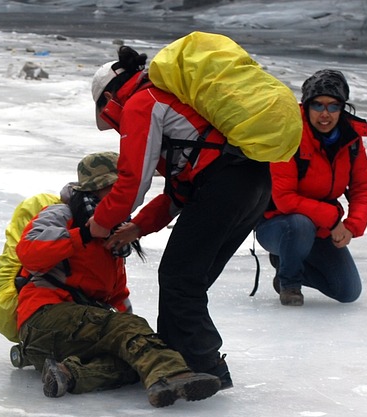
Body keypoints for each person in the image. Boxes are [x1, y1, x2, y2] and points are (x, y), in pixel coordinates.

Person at [89, 45, 275, 387]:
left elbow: (133, 182)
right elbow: (180, 191)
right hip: (253, 183)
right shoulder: (172, 103)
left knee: (179, 279)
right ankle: (175, 359)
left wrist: (98, 224)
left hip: (225, 185)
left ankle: (205, 367)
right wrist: (138, 227)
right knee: (188, 280)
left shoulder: (141, 103)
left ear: (108, 100)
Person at [15, 153, 222, 408]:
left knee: (136, 358)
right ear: (97, 187)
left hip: (69, 339)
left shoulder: (113, 233)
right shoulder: (62, 214)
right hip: (43, 318)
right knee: (129, 333)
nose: (124, 196)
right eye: (115, 188)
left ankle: (67, 375)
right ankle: (173, 375)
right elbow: (29, 252)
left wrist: (138, 335)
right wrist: (85, 234)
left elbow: (116, 295)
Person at [255, 69, 367, 307]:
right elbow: (285, 198)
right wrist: (331, 218)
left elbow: (363, 187)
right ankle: (289, 284)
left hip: (321, 228)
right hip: (279, 224)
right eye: (318, 105)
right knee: (299, 224)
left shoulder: (351, 140)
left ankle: (287, 266)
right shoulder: (289, 134)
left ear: (343, 108)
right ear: (306, 106)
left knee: (348, 291)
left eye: (333, 106)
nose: (325, 114)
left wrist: (352, 226)